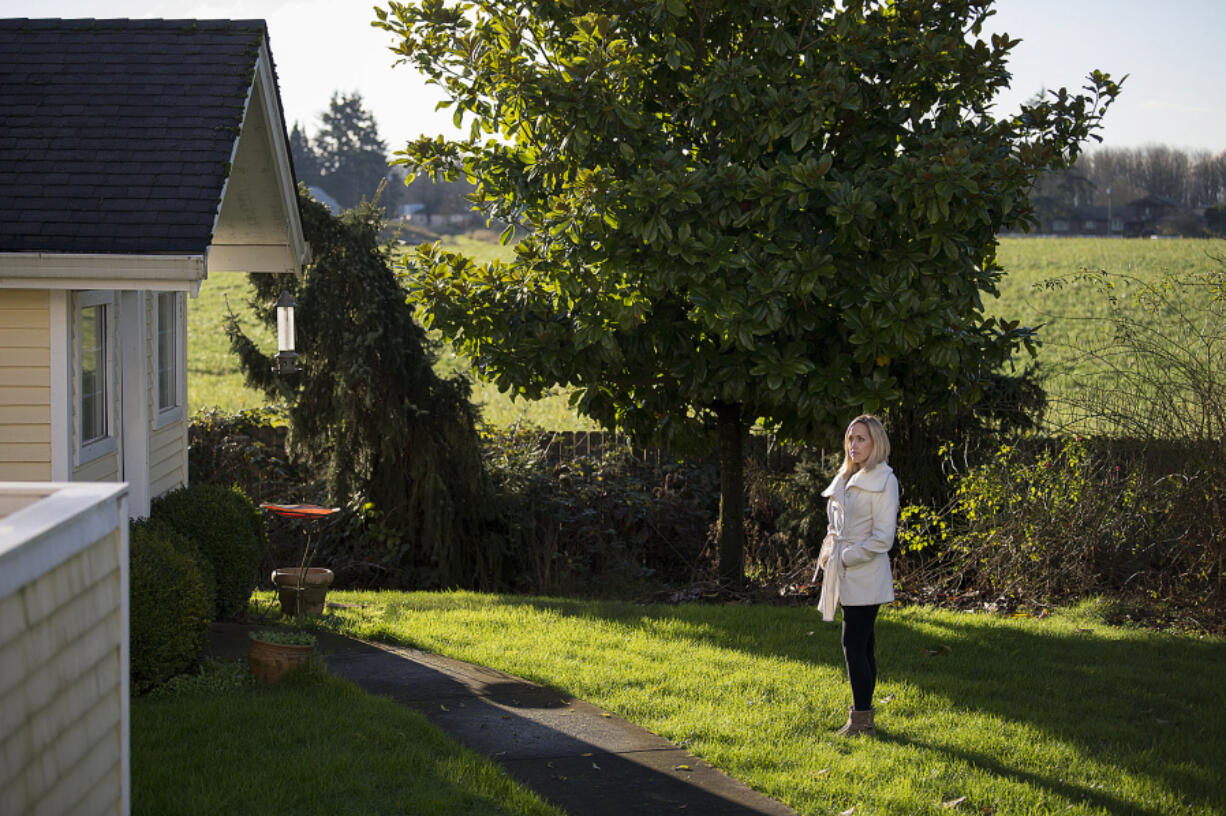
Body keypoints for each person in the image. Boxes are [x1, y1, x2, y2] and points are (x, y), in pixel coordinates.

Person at [813, 414, 900, 737]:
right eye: (850, 438)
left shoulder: (884, 480)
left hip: (865, 576)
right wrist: (828, 554)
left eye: (861, 439)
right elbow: (835, 526)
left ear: (876, 442)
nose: (853, 445)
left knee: (853, 643)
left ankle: (861, 719)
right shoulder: (846, 477)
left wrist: (847, 557)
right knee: (863, 645)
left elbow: (883, 538)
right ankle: (865, 717)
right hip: (845, 572)